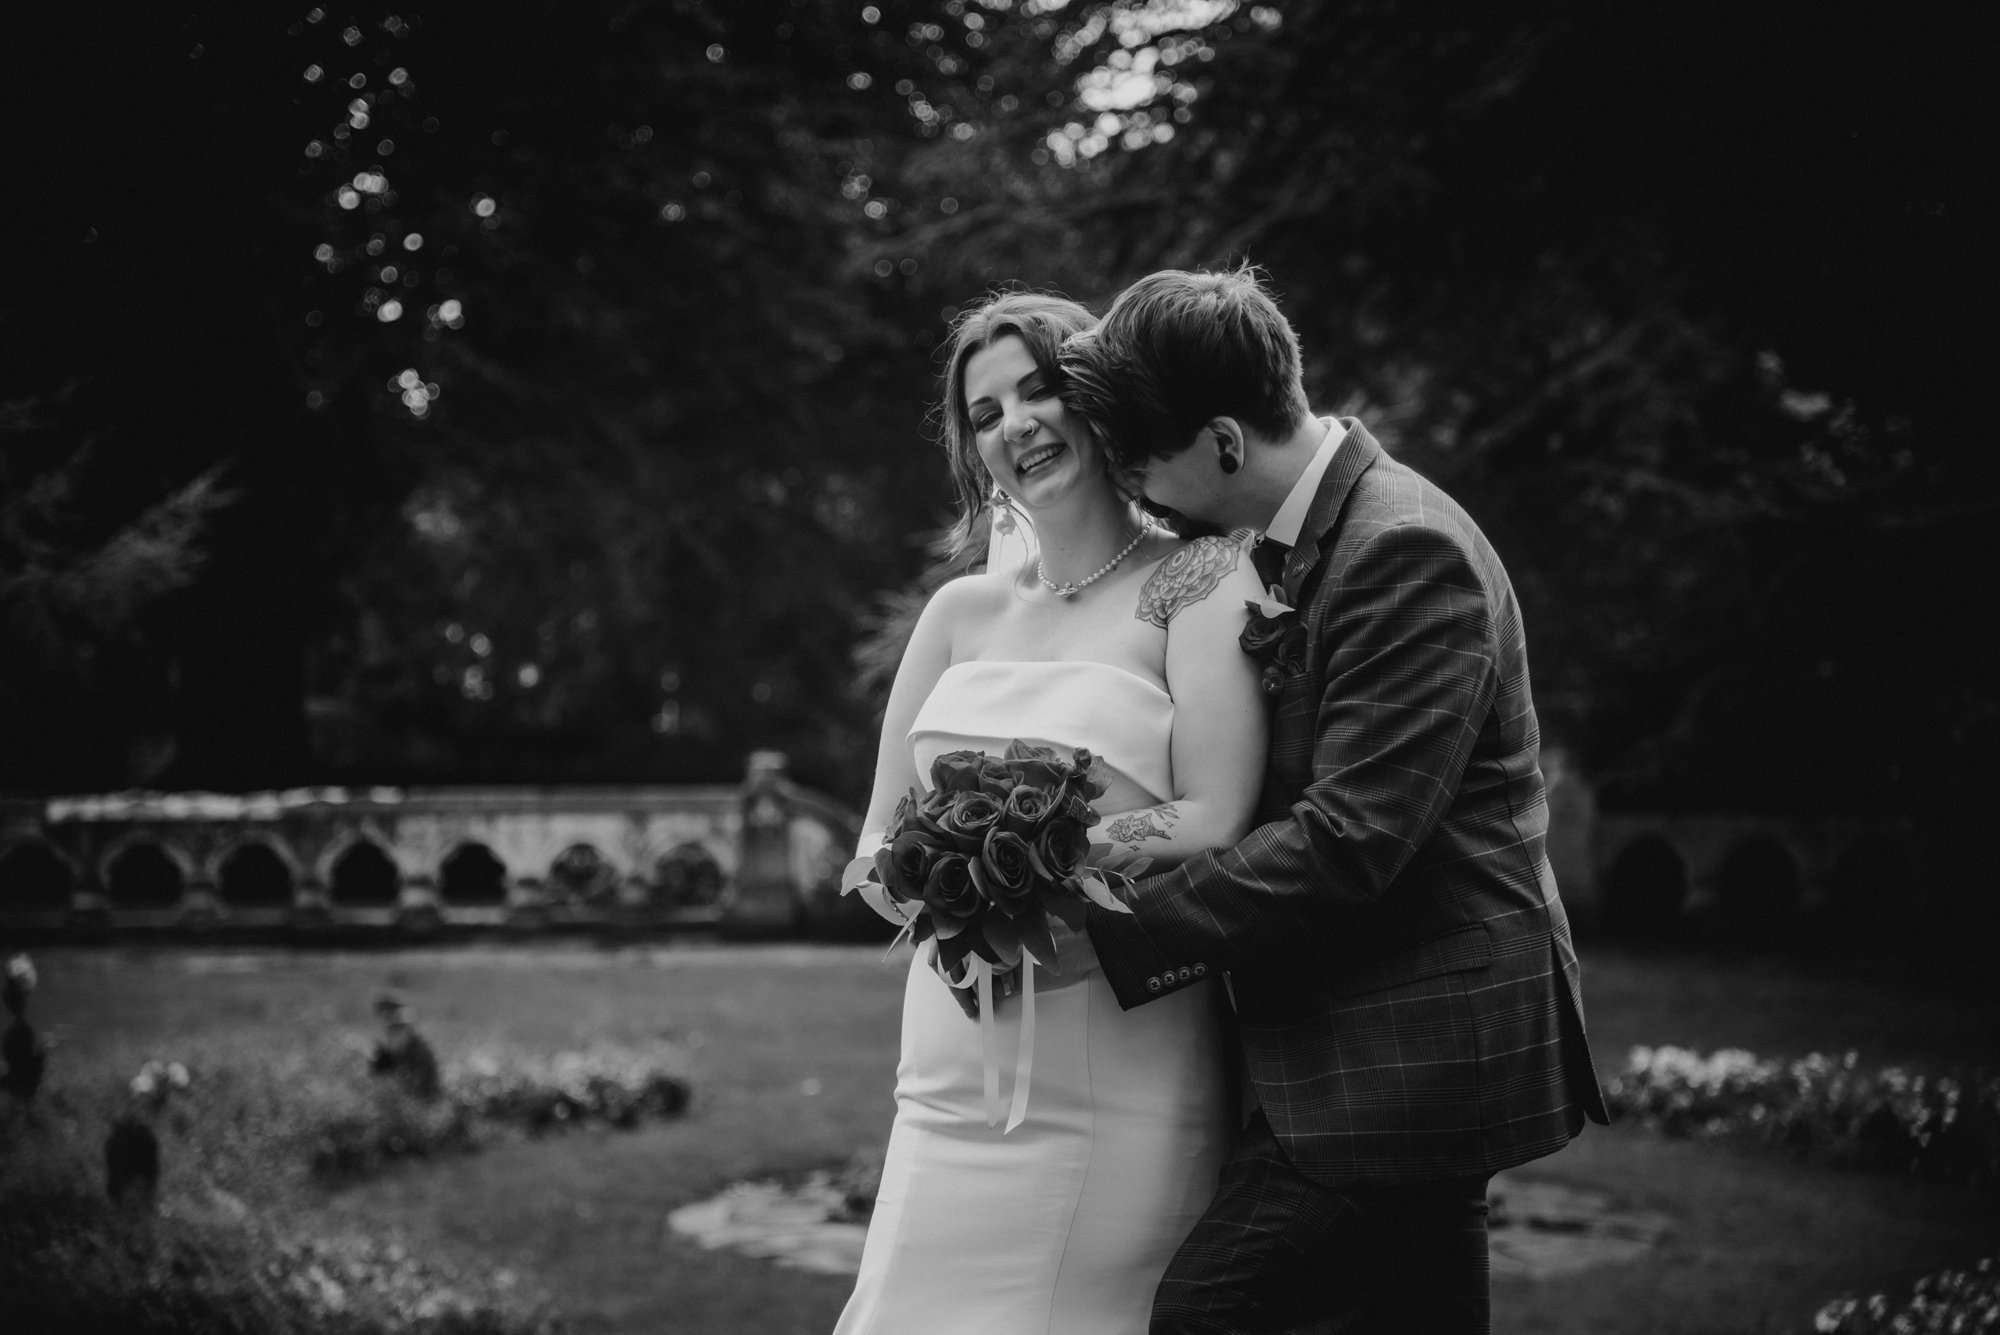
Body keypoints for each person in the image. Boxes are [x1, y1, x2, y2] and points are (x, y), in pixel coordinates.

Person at [1062, 266, 1611, 1335]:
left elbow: (1349, 840)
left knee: (1201, 1315)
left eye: (1141, 464)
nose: (1135, 493)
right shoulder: (1298, 543)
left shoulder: (1399, 547)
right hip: (1359, 1039)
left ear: (1222, 438)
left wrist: (1106, 929)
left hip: (1407, 1054)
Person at [834, 291, 1272, 1334]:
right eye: (984, 414)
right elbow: (873, 843)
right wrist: (937, 880)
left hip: (1118, 1054)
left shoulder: (1197, 580)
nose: (1016, 425)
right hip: (948, 1061)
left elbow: (1215, 813)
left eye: (1037, 389)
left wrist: (1040, 860)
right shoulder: (960, 614)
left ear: (1095, 398)